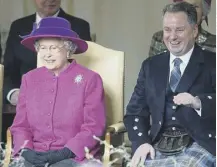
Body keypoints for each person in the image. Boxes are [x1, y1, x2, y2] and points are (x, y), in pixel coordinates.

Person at [124, 2, 215, 167]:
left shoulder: (212, 63)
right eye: (167, 30)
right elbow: (135, 112)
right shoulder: (150, 66)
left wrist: (198, 102)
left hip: (200, 143)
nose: (172, 36)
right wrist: (142, 142)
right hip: (157, 142)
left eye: (179, 30)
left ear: (194, 31)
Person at [9, 17, 105, 167]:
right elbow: (20, 125)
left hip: (75, 156)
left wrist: (65, 152)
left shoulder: (90, 79)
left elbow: (93, 127)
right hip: (35, 154)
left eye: (53, 48)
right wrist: (25, 150)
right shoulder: (29, 79)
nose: (47, 54)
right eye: (42, 48)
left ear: (68, 49)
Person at [3, 0, 91, 106]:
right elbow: (8, 70)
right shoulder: (18, 26)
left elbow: (85, 69)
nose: (50, 0)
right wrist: (13, 93)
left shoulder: (80, 26)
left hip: (67, 102)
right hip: (25, 103)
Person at [148, 0, 215, 57]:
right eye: (183, 6)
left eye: (194, 7)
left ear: (204, 14)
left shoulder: (214, 43)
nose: (188, 11)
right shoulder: (159, 38)